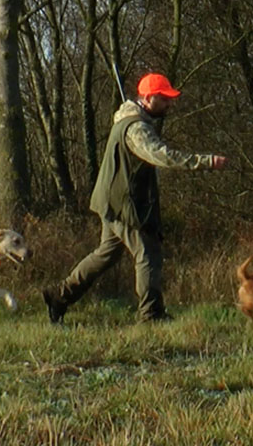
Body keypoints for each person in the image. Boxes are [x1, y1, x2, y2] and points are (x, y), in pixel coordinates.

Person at [43, 72, 229, 323]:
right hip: (123, 203)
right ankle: (151, 315)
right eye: (164, 99)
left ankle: (58, 296)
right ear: (149, 98)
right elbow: (161, 156)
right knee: (147, 253)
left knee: (105, 254)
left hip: (111, 199)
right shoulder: (137, 128)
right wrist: (206, 162)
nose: (169, 104)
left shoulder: (131, 121)